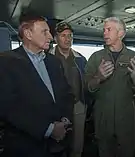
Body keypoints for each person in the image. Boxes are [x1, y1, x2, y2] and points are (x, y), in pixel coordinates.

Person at [0, 12, 74, 157]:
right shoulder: (6, 62)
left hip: (58, 145)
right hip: (25, 146)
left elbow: (67, 93)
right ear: (28, 33)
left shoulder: (54, 62)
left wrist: (65, 120)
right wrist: (48, 129)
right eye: (44, 32)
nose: (51, 37)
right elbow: (8, 107)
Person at [84, 17, 135, 157]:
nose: (104, 33)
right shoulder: (96, 58)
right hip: (103, 118)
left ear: (121, 34)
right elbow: (87, 87)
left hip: (125, 118)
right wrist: (99, 77)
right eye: (104, 30)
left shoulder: (134, 57)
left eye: (109, 30)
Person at [49, 22, 88, 157]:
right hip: (56, 107)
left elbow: (87, 81)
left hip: (78, 105)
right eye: (63, 35)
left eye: (70, 36)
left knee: (78, 141)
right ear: (55, 38)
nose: (67, 39)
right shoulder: (47, 58)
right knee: (57, 142)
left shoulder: (81, 59)